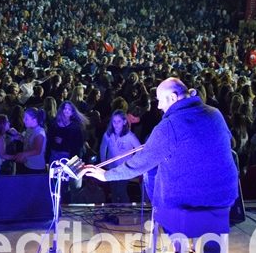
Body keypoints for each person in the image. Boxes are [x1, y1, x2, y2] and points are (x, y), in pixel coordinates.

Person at [87, 77, 238, 252]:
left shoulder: (169, 126)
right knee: (212, 241)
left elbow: (140, 163)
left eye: (160, 100)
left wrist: (105, 175)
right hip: (223, 197)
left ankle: (179, 247)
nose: (158, 106)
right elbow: (230, 143)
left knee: (158, 191)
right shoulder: (215, 113)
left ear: (173, 98)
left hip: (187, 202)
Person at [99, 110, 141, 203]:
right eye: (114, 121)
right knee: (114, 191)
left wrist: (134, 163)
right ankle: (115, 212)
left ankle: (125, 211)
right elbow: (103, 148)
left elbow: (140, 150)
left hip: (124, 169)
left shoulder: (130, 136)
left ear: (124, 122)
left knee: (121, 191)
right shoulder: (108, 134)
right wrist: (103, 162)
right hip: (112, 168)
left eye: (119, 122)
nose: (116, 124)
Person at [14, 107, 47, 174]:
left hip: (36, 168)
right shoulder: (29, 128)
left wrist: (22, 154)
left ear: (34, 120)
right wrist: (19, 137)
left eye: (26, 119)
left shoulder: (39, 133)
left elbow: (37, 151)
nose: (23, 120)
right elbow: (27, 141)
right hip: (28, 164)